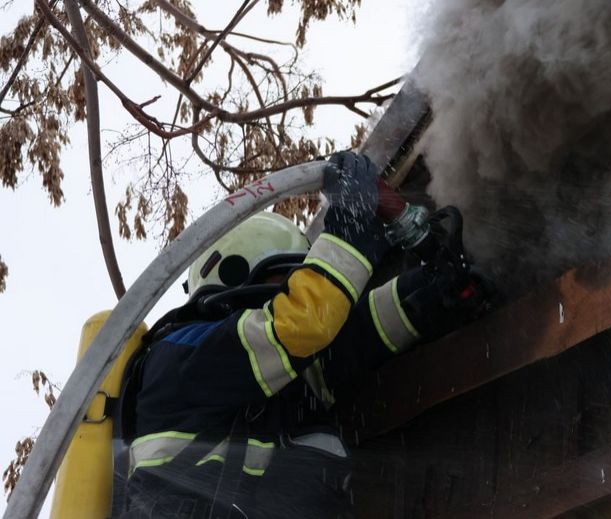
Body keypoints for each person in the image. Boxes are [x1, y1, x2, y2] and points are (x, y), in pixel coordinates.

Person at [112, 152, 482, 518]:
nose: (298, 291)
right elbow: (304, 324)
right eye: (288, 283)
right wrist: (350, 227)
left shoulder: (279, 380)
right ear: (238, 279)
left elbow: (354, 336)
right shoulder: (184, 355)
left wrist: (431, 292)